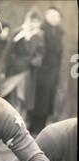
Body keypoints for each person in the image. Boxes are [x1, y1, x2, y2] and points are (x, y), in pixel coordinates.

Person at [1, 9, 45, 124]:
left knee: (24, 98)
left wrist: (34, 61)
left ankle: (21, 122)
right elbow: (8, 50)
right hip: (15, 70)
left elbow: (40, 53)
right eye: (31, 20)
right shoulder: (18, 32)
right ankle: (8, 122)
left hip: (28, 72)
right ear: (27, 19)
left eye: (36, 22)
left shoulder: (39, 35)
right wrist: (6, 68)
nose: (33, 24)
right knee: (11, 96)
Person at [30, 7, 64, 135]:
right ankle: (34, 128)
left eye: (57, 16)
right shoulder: (42, 30)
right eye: (52, 15)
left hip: (53, 72)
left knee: (49, 101)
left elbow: (59, 53)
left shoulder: (59, 32)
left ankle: (41, 127)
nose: (55, 18)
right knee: (39, 100)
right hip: (42, 71)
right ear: (47, 16)